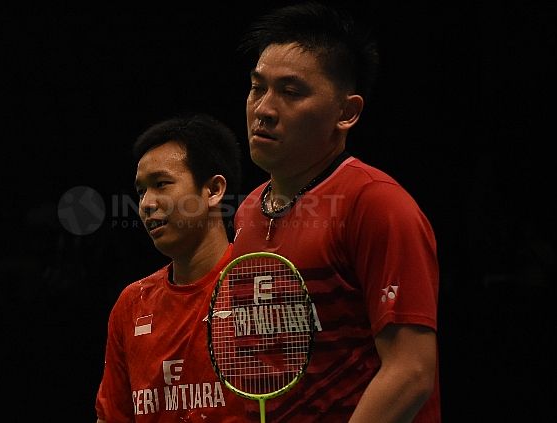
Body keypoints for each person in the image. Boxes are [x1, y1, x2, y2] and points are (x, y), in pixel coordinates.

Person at [230, 2, 441, 422]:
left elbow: (411, 372)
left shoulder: (376, 203)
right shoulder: (249, 211)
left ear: (347, 113)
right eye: (257, 88)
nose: (264, 109)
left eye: (291, 92)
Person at [94, 113, 249, 422]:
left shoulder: (257, 288)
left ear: (213, 190)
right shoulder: (131, 304)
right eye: (141, 191)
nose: (147, 203)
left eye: (161, 184)